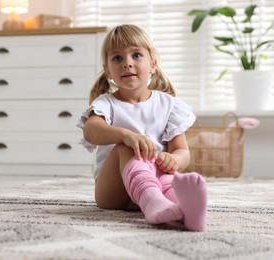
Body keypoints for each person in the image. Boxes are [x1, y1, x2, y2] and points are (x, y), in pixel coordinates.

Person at [77, 24, 207, 231]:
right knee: (127, 147)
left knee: (168, 177)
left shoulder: (169, 105)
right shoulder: (106, 104)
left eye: (136, 55)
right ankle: (152, 202)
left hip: (158, 183)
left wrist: (174, 159)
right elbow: (91, 130)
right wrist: (125, 135)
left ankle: (188, 214)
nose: (127, 63)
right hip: (114, 192)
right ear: (108, 70)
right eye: (117, 58)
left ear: (153, 64)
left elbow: (182, 151)